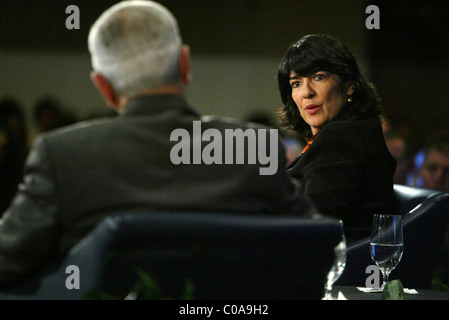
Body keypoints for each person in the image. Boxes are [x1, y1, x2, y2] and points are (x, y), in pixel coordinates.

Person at [0, 1, 301, 288]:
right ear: (184, 63)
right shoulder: (256, 146)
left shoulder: (61, 156)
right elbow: (317, 247)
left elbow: (7, 262)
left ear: (103, 86)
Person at [277, 34, 400, 241]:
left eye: (319, 77)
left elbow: (312, 219)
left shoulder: (341, 137)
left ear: (349, 84)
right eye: (296, 83)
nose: (307, 92)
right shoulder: (357, 131)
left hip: (335, 265)